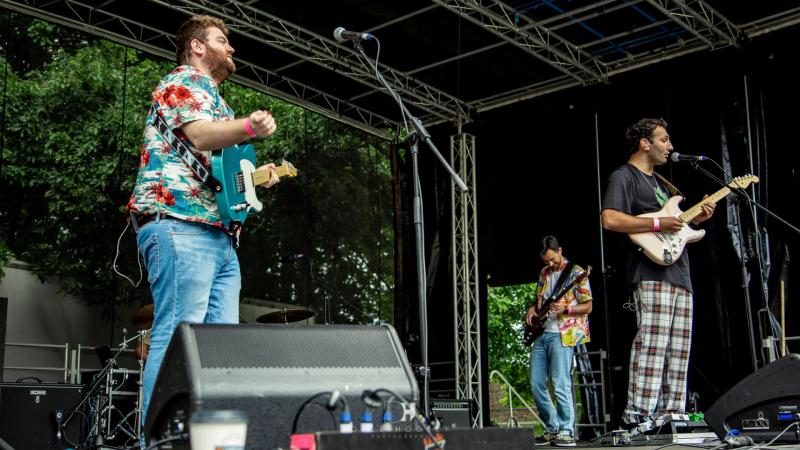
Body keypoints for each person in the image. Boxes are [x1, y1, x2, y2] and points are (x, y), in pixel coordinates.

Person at [125, 15, 280, 426]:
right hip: (180, 223)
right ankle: (157, 440)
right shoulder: (183, 81)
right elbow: (199, 135)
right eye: (222, 40)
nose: (231, 48)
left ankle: (207, 438)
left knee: (219, 351)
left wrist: (256, 177)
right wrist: (249, 127)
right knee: (177, 338)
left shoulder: (217, 101)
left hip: (218, 234)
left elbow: (219, 172)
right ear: (197, 46)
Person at [600, 118, 715, 427]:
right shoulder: (624, 176)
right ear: (644, 143)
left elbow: (675, 225)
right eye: (664, 140)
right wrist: (657, 223)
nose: (670, 146)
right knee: (653, 344)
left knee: (678, 350)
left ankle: (671, 416)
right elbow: (610, 219)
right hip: (650, 272)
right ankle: (638, 416)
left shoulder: (663, 184)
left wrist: (696, 219)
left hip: (680, 274)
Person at [525, 235, 593, 447]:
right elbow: (540, 301)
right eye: (546, 260)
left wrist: (567, 309)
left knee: (560, 383)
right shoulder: (544, 273)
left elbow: (588, 306)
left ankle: (566, 432)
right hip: (542, 334)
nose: (550, 264)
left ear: (560, 250)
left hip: (563, 334)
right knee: (536, 383)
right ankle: (552, 427)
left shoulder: (577, 273)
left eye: (553, 259)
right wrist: (531, 309)